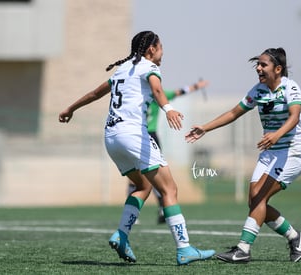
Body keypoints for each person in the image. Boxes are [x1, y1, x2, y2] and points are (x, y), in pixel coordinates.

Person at [59, 30, 215, 265]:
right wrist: (168, 108)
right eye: (161, 47)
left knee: (142, 186)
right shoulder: (149, 67)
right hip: (133, 135)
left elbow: (94, 93)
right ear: (151, 49)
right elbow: (157, 89)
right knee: (169, 189)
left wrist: (70, 108)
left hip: (112, 138)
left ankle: (122, 235)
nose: (163, 52)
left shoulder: (122, 70)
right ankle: (184, 249)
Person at [185, 47, 301, 263]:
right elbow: (234, 113)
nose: (258, 68)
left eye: (263, 65)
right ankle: (294, 236)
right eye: (258, 64)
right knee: (254, 199)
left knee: (260, 197)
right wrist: (205, 128)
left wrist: (276, 135)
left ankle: (243, 249)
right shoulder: (258, 90)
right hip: (271, 151)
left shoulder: (290, 88)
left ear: (278, 69)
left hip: (294, 151)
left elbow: (295, 116)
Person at [128, 79, 209, 224]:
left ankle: (135, 214)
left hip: (136, 136)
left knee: (135, 176)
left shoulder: (135, 95)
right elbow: (181, 91)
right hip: (150, 136)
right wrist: (197, 86)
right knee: (157, 175)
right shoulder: (159, 93)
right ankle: (161, 209)